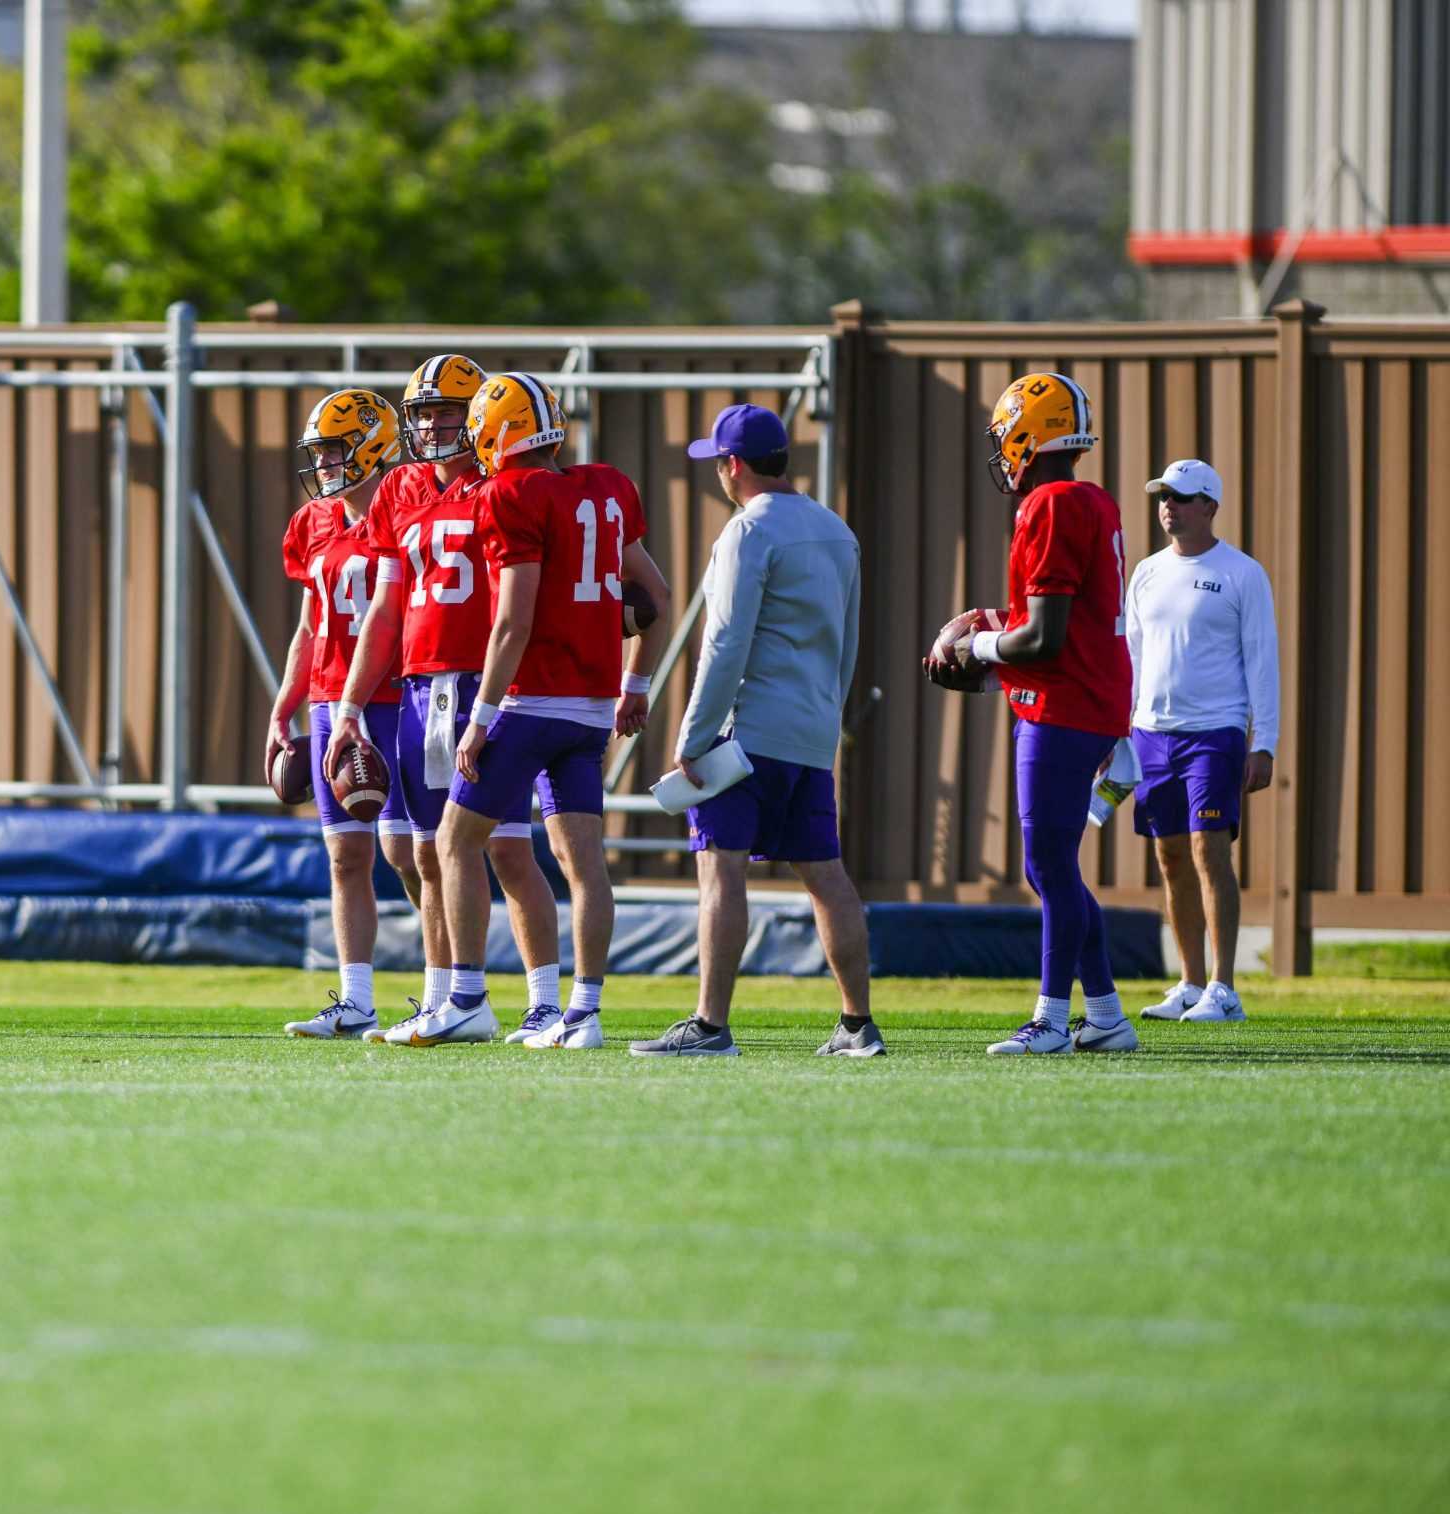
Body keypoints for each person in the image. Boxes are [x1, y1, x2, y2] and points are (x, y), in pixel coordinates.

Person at [408, 373, 669, 1048]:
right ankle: (581, 1014)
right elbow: (656, 597)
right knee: (583, 863)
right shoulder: (607, 486)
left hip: (529, 705)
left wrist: (480, 718)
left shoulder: (508, 493)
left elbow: (511, 624)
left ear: (500, 432)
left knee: (454, 840)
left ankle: (465, 994)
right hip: (590, 709)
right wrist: (636, 685)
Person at [324, 354, 568, 1045]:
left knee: (510, 852)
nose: (433, 423)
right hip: (421, 685)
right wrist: (349, 701)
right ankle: (444, 995)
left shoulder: (508, 484)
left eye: (448, 410)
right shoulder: (401, 488)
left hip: (485, 684)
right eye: (423, 411)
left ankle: (540, 1000)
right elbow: (385, 608)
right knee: (427, 853)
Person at [631, 404, 880, 1060]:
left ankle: (710, 1025)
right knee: (827, 876)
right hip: (810, 734)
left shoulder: (747, 532)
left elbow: (725, 642)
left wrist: (693, 736)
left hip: (745, 734)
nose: (717, 469)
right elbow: (847, 644)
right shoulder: (838, 533)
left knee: (721, 872)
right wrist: (827, 719)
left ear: (734, 465)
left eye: (719, 459)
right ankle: (858, 1024)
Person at [927, 373, 1137, 1056]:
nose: (1002, 452)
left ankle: (1049, 1017)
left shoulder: (1050, 503)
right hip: (1084, 697)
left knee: (1048, 864)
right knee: (1058, 868)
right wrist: (993, 671)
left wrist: (978, 646)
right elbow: (1059, 633)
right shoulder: (1089, 499)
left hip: (1065, 707)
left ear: (1027, 432)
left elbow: (1042, 637)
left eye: (1006, 437)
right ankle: (1104, 1014)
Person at [267, 390, 426, 1038]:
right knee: (345, 856)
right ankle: (356, 999)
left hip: (399, 697)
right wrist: (286, 702)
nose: (326, 465)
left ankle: (447, 981)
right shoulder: (314, 522)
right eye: (321, 453)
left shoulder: (410, 512)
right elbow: (311, 624)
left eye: (336, 450)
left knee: (412, 853)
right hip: (335, 700)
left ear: (372, 447)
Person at [1124, 458, 1278, 1023]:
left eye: (1182, 498)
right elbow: (1132, 658)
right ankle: (1188, 983)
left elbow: (1263, 662)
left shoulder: (1242, 573)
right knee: (1169, 857)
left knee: (1208, 848)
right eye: (1164, 497)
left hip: (1216, 732)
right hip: (1151, 733)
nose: (1169, 506)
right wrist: (1120, 732)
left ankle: (1224, 987)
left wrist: (1265, 742)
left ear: (1210, 506)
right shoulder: (1145, 572)